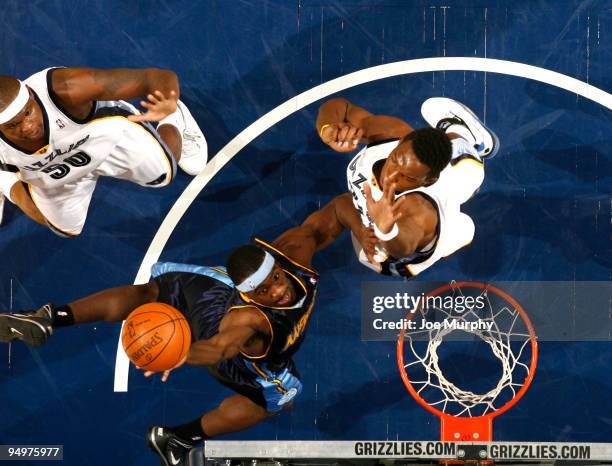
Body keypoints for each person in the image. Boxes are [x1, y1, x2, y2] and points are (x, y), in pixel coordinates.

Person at [0, 205, 342, 466]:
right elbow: (220, 348)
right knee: (279, 397)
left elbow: (337, 210)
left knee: (151, 292)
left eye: (277, 280)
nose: (278, 292)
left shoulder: (295, 249)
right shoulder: (252, 319)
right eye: (264, 291)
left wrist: (373, 227)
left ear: (278, 266)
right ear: (251, 295)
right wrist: (184, 354)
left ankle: (48, 318)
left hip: (212, 293)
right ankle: (178, 438)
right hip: (228, 339)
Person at [0, 66, 208, 236]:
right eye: (12, 125)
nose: (27, 127)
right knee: (63, 228)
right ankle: (4, 181)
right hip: (53, 168)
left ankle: (175, 119)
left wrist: (168, 101)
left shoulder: (66, 89)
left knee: (163, 173)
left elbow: (153, 77)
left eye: (28, 113)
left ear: (31, 95)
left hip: (105, 138)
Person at [313, 96, 499, 278]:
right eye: (395, 160)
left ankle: (463, 131)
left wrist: (387, 229)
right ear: (401, 142)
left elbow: (403, 247)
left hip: (386, 258)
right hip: (375, 223)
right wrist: (329, 130)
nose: (391, 176)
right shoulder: (392, 133)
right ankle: (455, 230)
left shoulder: (418, 209)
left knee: (462, 158)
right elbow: (340, 107)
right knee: (461, 221)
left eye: (407, 177)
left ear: (428, 180)